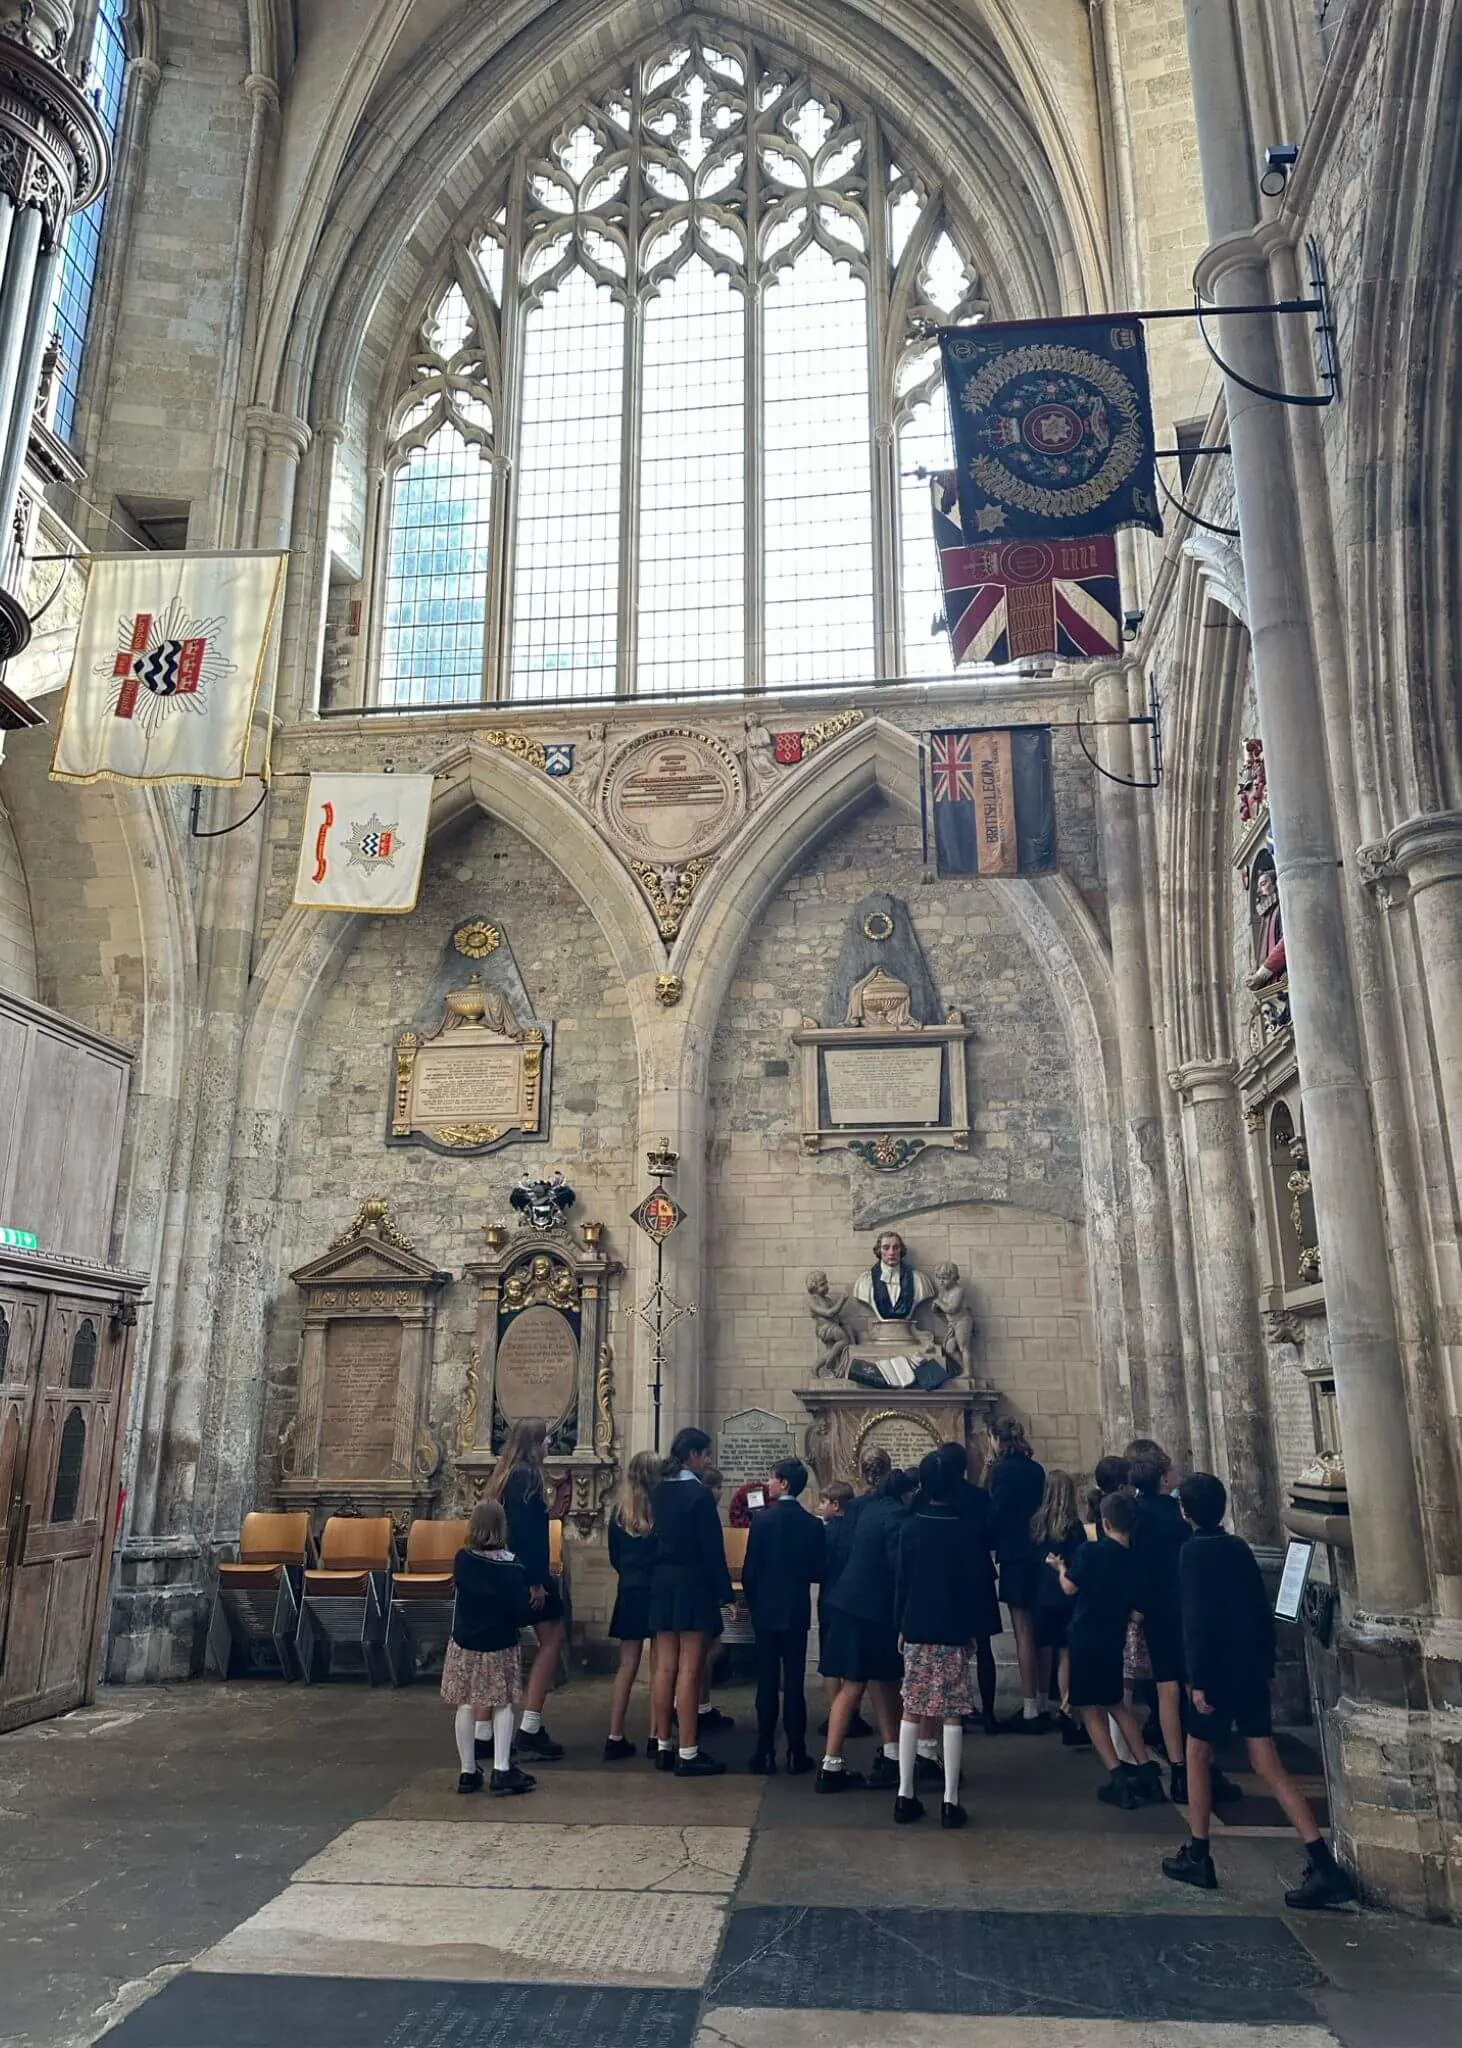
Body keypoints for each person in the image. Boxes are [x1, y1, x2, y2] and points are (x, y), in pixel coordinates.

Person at [1162, 1472, 1355, 1907]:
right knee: (1267, 1763)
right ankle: (1322, 1861)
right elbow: (1256, 1607)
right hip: (1248, 1669)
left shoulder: (1193, 1553)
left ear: (1186, 1512)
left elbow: (1196, 1622)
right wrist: (1264, 1663)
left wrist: (1199, 1681)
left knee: (1195, 1755)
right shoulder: (1238, 1547)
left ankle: (1199, 1852)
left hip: (1217, 1674)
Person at [1053, 1490, 1164, 1808]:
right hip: (1113, 1638)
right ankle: (1146, 1772)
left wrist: (1059, 1569)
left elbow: (1070, 1587)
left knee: (1090, 1710)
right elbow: (1138, 1611)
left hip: (1086, 1637)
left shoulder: (1091, 1552)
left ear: (1104, 1522)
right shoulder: (1136, 1560)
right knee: (1117, 1705)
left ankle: (1118, 1778)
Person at [893, 1451, 982, 1827]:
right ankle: (950, 1800)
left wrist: (901, 1623)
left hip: (916, 1623)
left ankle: (904, 1794)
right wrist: (972, 1630)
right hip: (952, 1626)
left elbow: (901, 1581)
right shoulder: (963, 1527)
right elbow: (972, 1586)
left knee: (912, 1706)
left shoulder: (911, 1526)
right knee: (952, 1712)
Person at [817, 1465, 918, 1792]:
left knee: (883, 1679)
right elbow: (899, 1568)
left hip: (847, 1600)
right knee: (856, 1685)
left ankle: (892, 1754)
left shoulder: (860, 1506)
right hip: (874, 1609)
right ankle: (831, 1765)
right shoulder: (898, 1517)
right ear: (908, 1493)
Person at [648, 1427, 735, 1777]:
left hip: (663, 1581)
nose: (709, 1461)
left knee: (664, 1667)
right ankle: (688, 1750)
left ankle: (663, 1744)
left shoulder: (659, 1491)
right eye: (706, 1454)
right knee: (690, 1669)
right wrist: (725, 1594)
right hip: (692, 1583)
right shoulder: (698, 1496)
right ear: (693, 1455)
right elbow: (712, 1550)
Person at [440, 1498, 537, 1797]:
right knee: (503, 1703)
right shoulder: (511, 1567)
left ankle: (468, 1771)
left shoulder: (463, 1559)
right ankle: (502, 1769)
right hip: (499, 1644)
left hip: (465, 1641)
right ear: (501, 1527)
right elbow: (521, 1613)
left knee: (466, 1703)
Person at [484, 1418, 568, 1761]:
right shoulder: (527, 1476)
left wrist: (556, 1508)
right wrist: (535, 1581)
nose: (549, 1445)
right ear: (534, 1443)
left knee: (497, 1649)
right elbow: (526, 1534)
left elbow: (525, 1522)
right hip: (527, 1573)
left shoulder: (506, 1475)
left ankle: (482, 1733)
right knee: (552, 1639)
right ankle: (531, 1725)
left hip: (504, 1570)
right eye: (546, 1439)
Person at [743, 1457, 826, 1775]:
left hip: (766, 1609)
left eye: (773, 1479)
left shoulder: (762, 1522)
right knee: (793, 1683)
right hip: (795, 1609)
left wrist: (754, 1602)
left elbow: (750, 1571)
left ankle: (764, 1751)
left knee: (766, 1683)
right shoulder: (811, 1524)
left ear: (785, 1484)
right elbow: (819, 1570)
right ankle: (796, 1750)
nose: (769, 1483)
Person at [1128, 1450, 1191, 1797]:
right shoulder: (1178, 1516)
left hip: (1152, 1609)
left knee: (1166, 1687)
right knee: (1190, 1685)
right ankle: (1199, 1763)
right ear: (1164, 1479)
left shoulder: (1135, 1515)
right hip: (1180, 1607)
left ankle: (1178, 1767)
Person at [934, 1438, 1001, 1734]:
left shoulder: (936, 1497)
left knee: (951, 1648)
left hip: (948, 1577)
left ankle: (955, 1711)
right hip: (978, 1572)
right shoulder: (979, 1497)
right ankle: (988, 1713)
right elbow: (989, 1534)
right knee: (984, 1647)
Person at [986, 1417, 1048, 1729]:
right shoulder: (1035, 1469)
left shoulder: (1000, 1470)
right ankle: (1043, 1698)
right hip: (1038, 1549)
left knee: (1023, 1629)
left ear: (997, 1439)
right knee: (1039, 1630)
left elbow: (996, 1513)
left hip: (1014, 1552)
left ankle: (1029, 1708)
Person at [604, 1450, 660, 1761]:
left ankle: (614, 1735)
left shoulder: (619, 1514)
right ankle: (656, 1734)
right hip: (655, 1590)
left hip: (629, 1590)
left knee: (626, 1667)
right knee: (658, 1667)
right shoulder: (660, 1513)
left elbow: (615, 1556)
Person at [1030, 1468, 1087, 1745]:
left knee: (1044, 1648)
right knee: (1066, 1653)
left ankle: (1040, 1701)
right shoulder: (1073, 1527)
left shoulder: (1037, 1523)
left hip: (1042, 1596)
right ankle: (1066, 1706)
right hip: (1065, 1597)